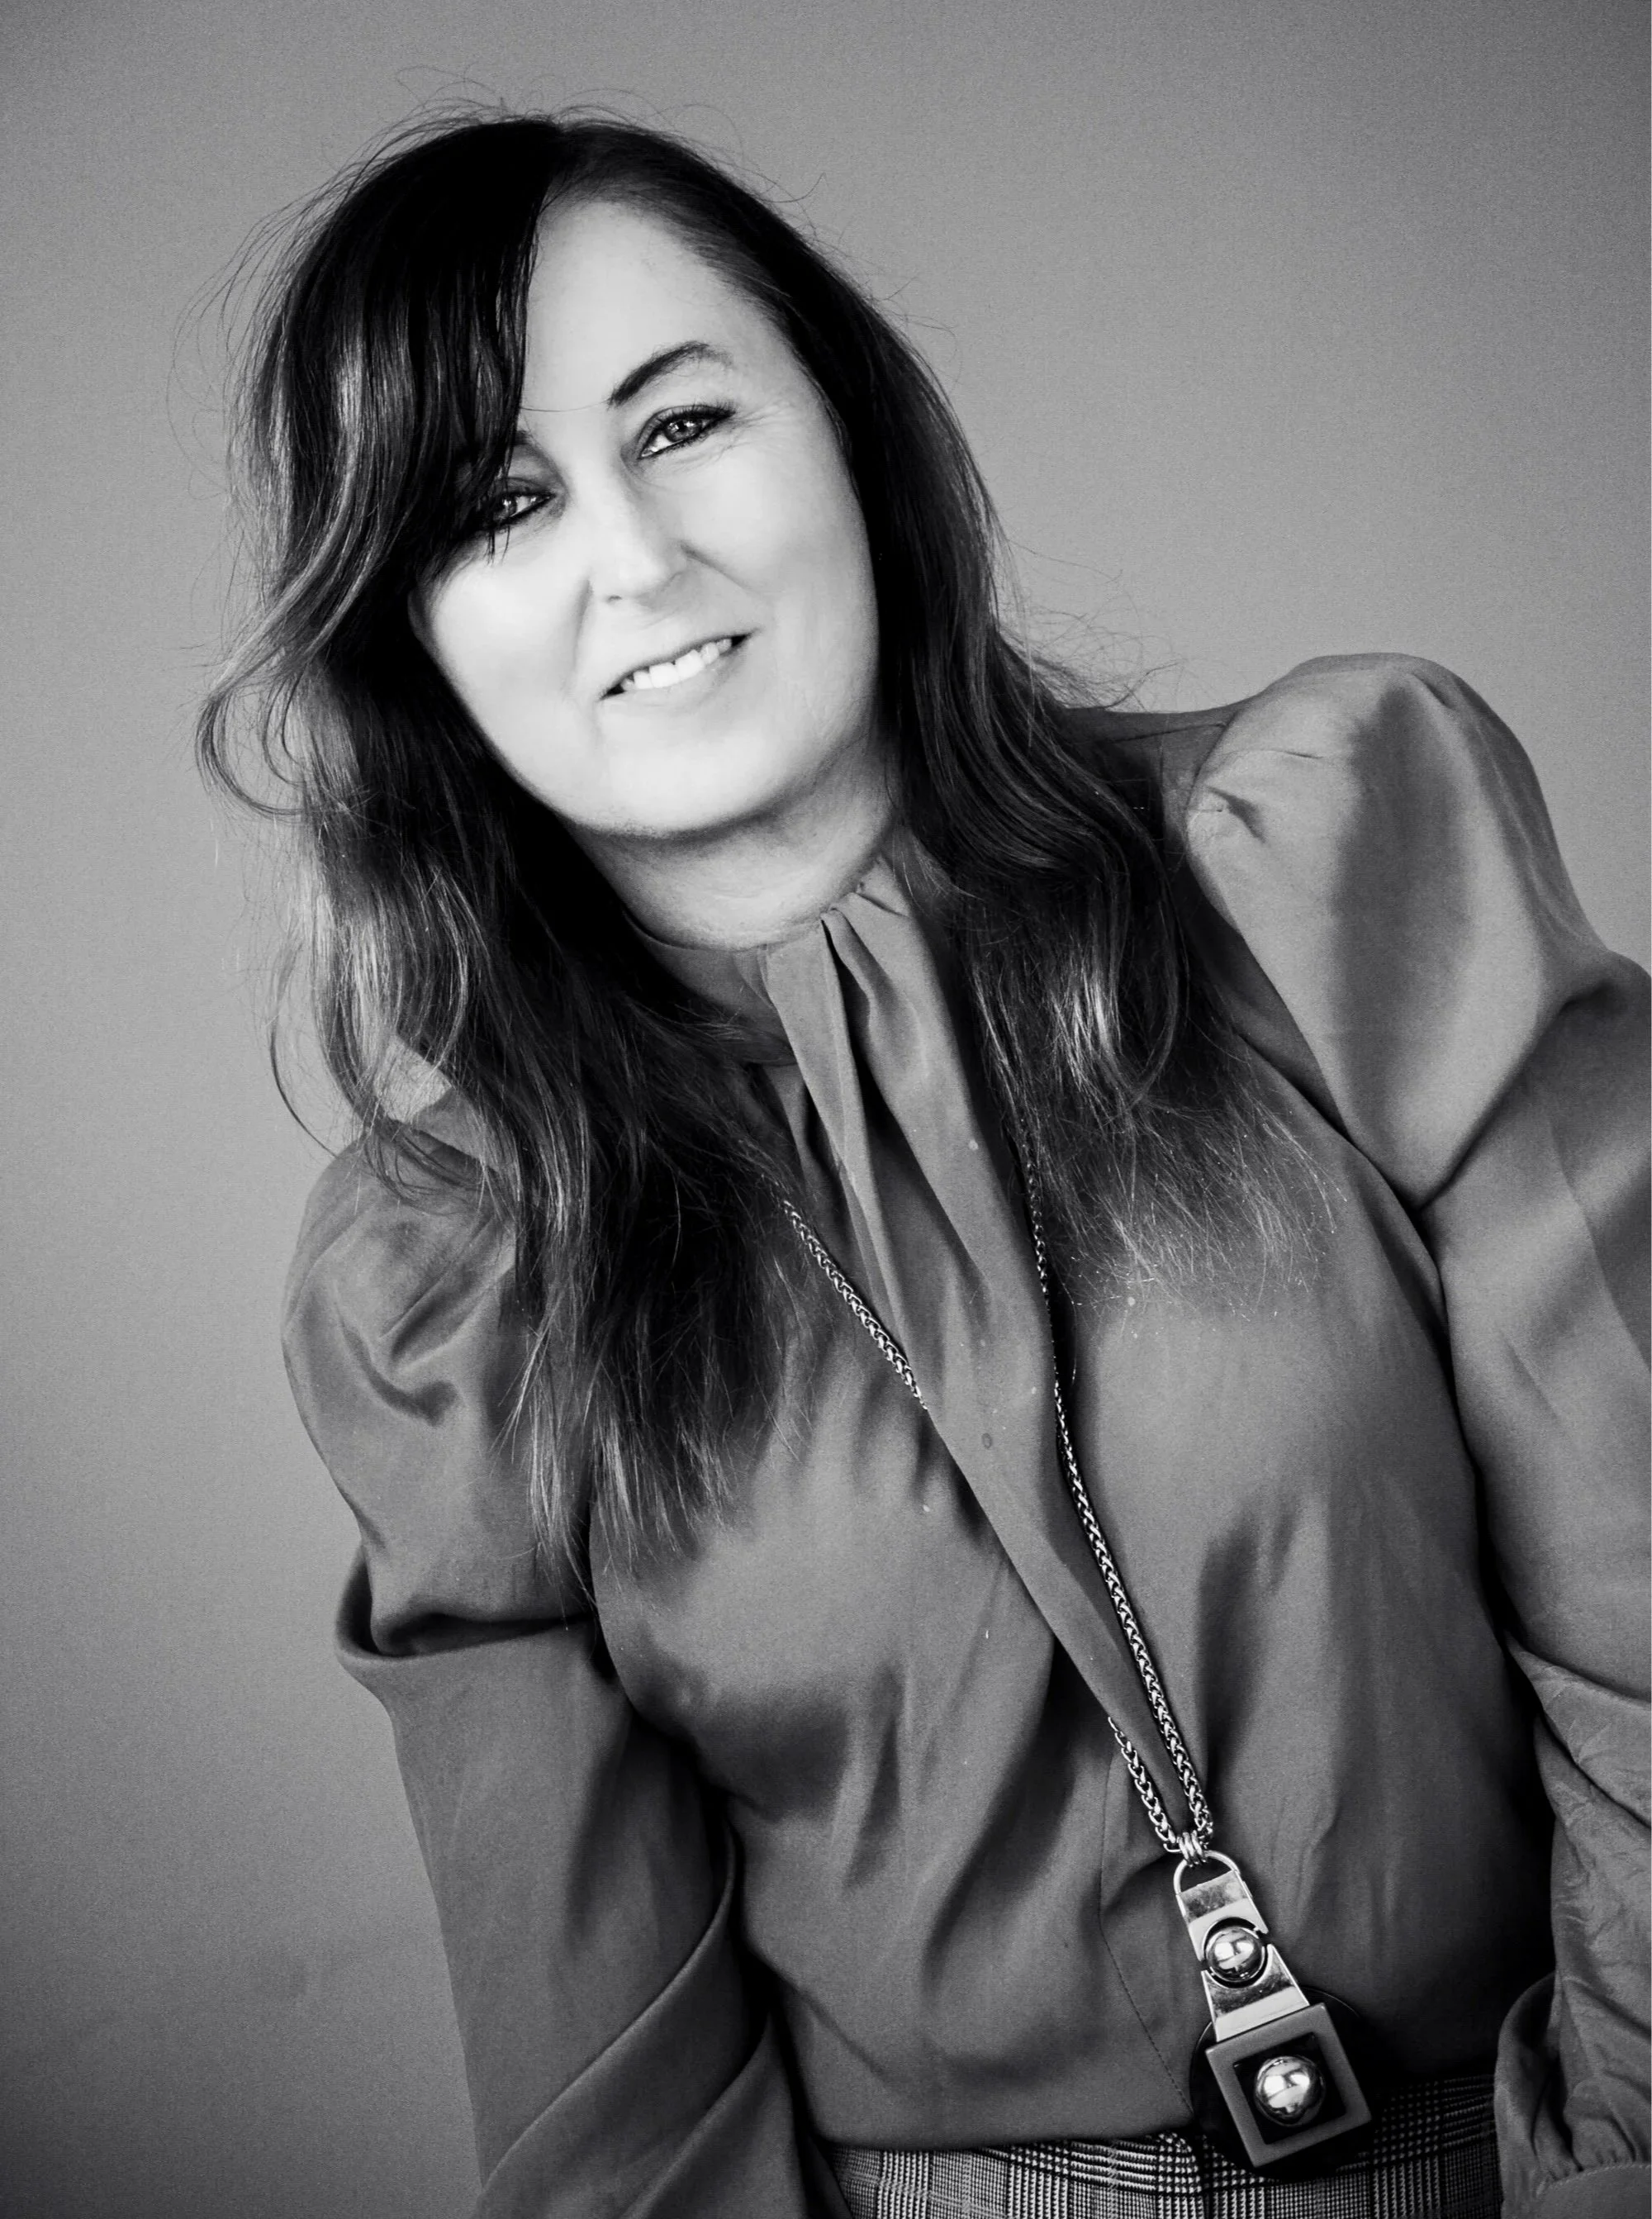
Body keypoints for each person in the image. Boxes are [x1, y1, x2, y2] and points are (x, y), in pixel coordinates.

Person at [200, 111, 1650, 2219]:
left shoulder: (1331, 852)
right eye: (498, 506)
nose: (634, 557)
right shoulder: (451, 1275)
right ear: (410, 640)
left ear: (850, 438)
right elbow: (613, 2094)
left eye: (683, 419)